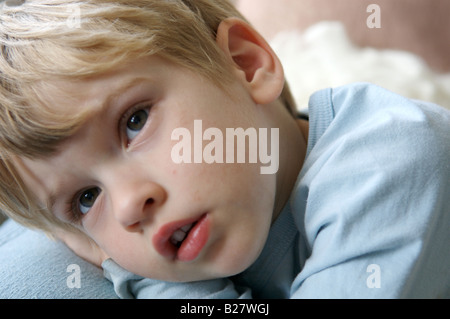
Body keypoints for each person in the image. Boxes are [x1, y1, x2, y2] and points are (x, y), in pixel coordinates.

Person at [0, 0, 449, 299]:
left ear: (244, 64)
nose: (129, 205)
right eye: (86, 198)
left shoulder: (387, 157)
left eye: (134, 122)